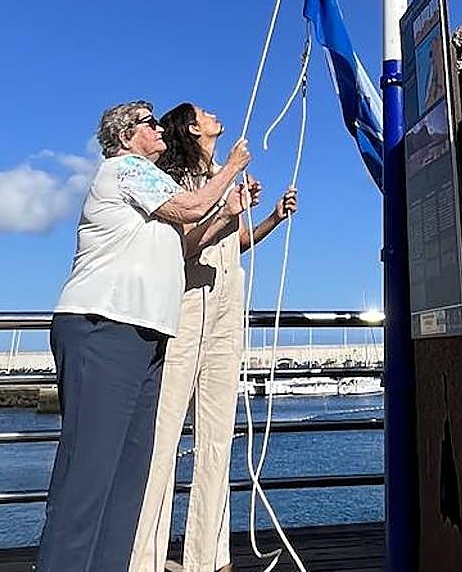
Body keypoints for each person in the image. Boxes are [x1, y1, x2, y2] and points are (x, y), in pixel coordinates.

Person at [36, 100, 251, 572]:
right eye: (149, 123)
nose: (158, 129)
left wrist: (233, 208)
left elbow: (189, 237)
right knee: (90, 469)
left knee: (129, 472)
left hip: (147, 334)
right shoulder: (124, 169)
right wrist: (231, 168)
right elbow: (190, 204)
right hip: (103, 324)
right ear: (127, 135)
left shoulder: (152, 188)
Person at [129, 103, 298, 572]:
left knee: (219, 436)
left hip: (226, 308)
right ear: (192, 127)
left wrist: (270, 220)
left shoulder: (220, 183)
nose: (214, 114)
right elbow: (186, 243)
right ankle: (144, 557)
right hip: (185, 310)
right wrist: (228, 183)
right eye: (204, 113)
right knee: (163, 437)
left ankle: (210, 556)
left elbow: (232, 243)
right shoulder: (177, 181)